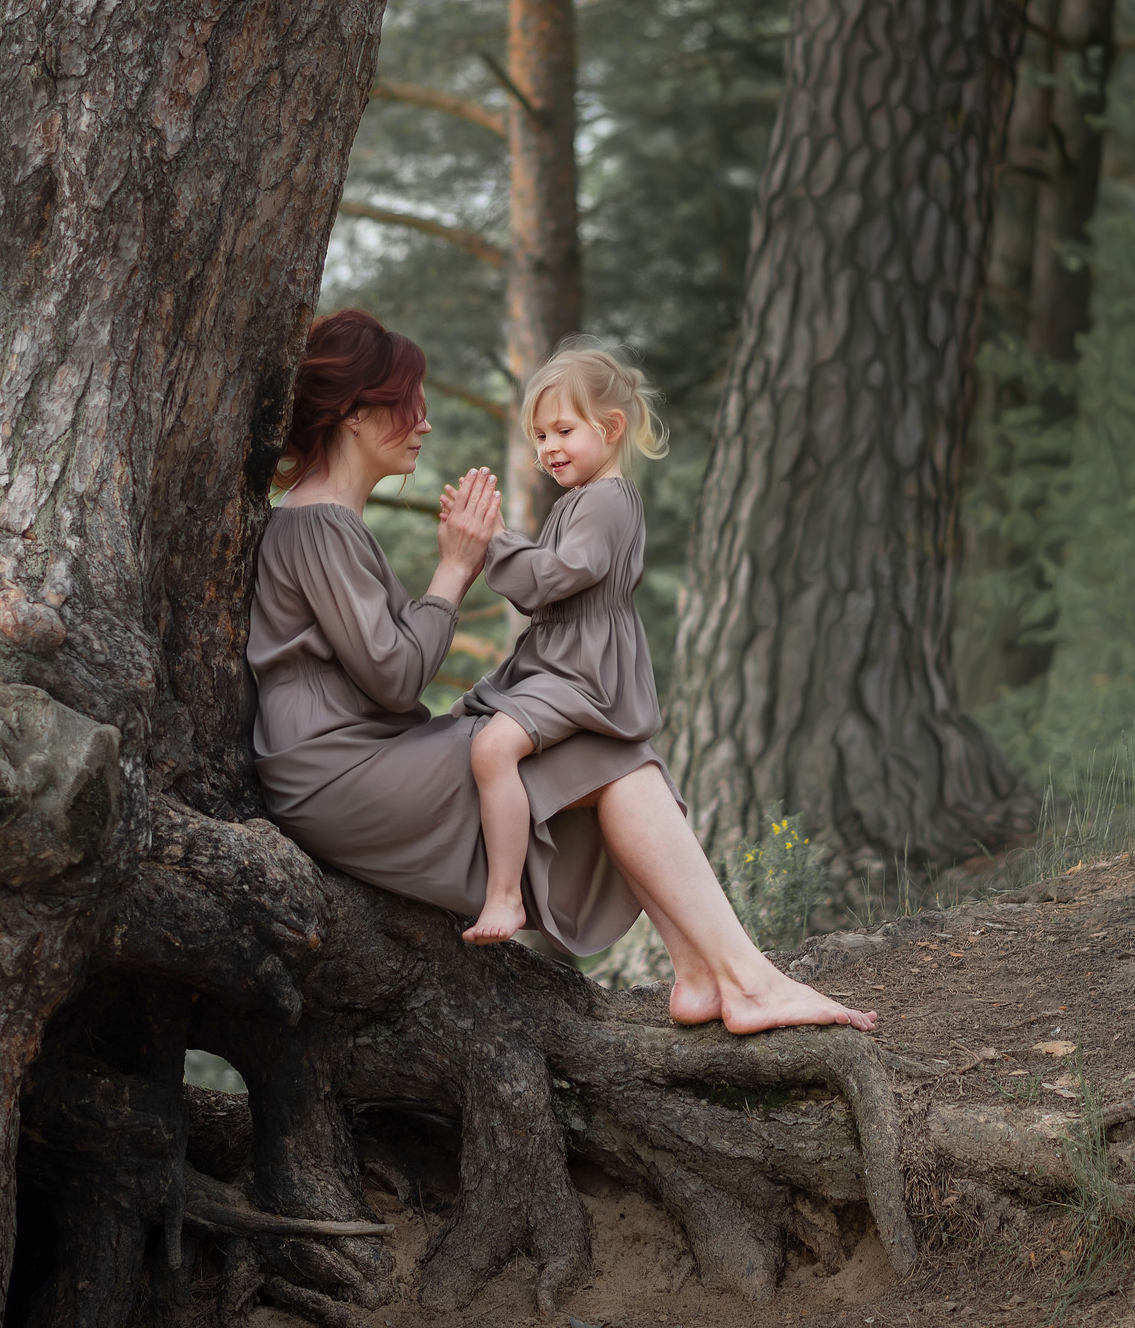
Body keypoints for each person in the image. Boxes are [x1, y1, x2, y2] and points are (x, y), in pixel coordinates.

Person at [248, 308, 872, 1034]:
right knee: (606, 752)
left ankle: (709, 974)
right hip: (336, 772)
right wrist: (454, 569)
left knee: (596, 751)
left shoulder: (327, 521)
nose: (422, 423)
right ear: (355, 414)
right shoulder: (317, 523)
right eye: (406, 405)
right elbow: (393, 678)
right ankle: (739, 976)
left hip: (355, 759)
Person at [452, 342, 667, 945]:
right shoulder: (584, 499)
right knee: (470, 730)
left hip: (582, 673)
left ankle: (503, 899)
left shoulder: (604, 501)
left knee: (493, 750)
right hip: (560, 663)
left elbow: (557, 578)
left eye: (563, 431)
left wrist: (495, 540)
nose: (549, 449)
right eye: (539, 436)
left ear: (612, 427)